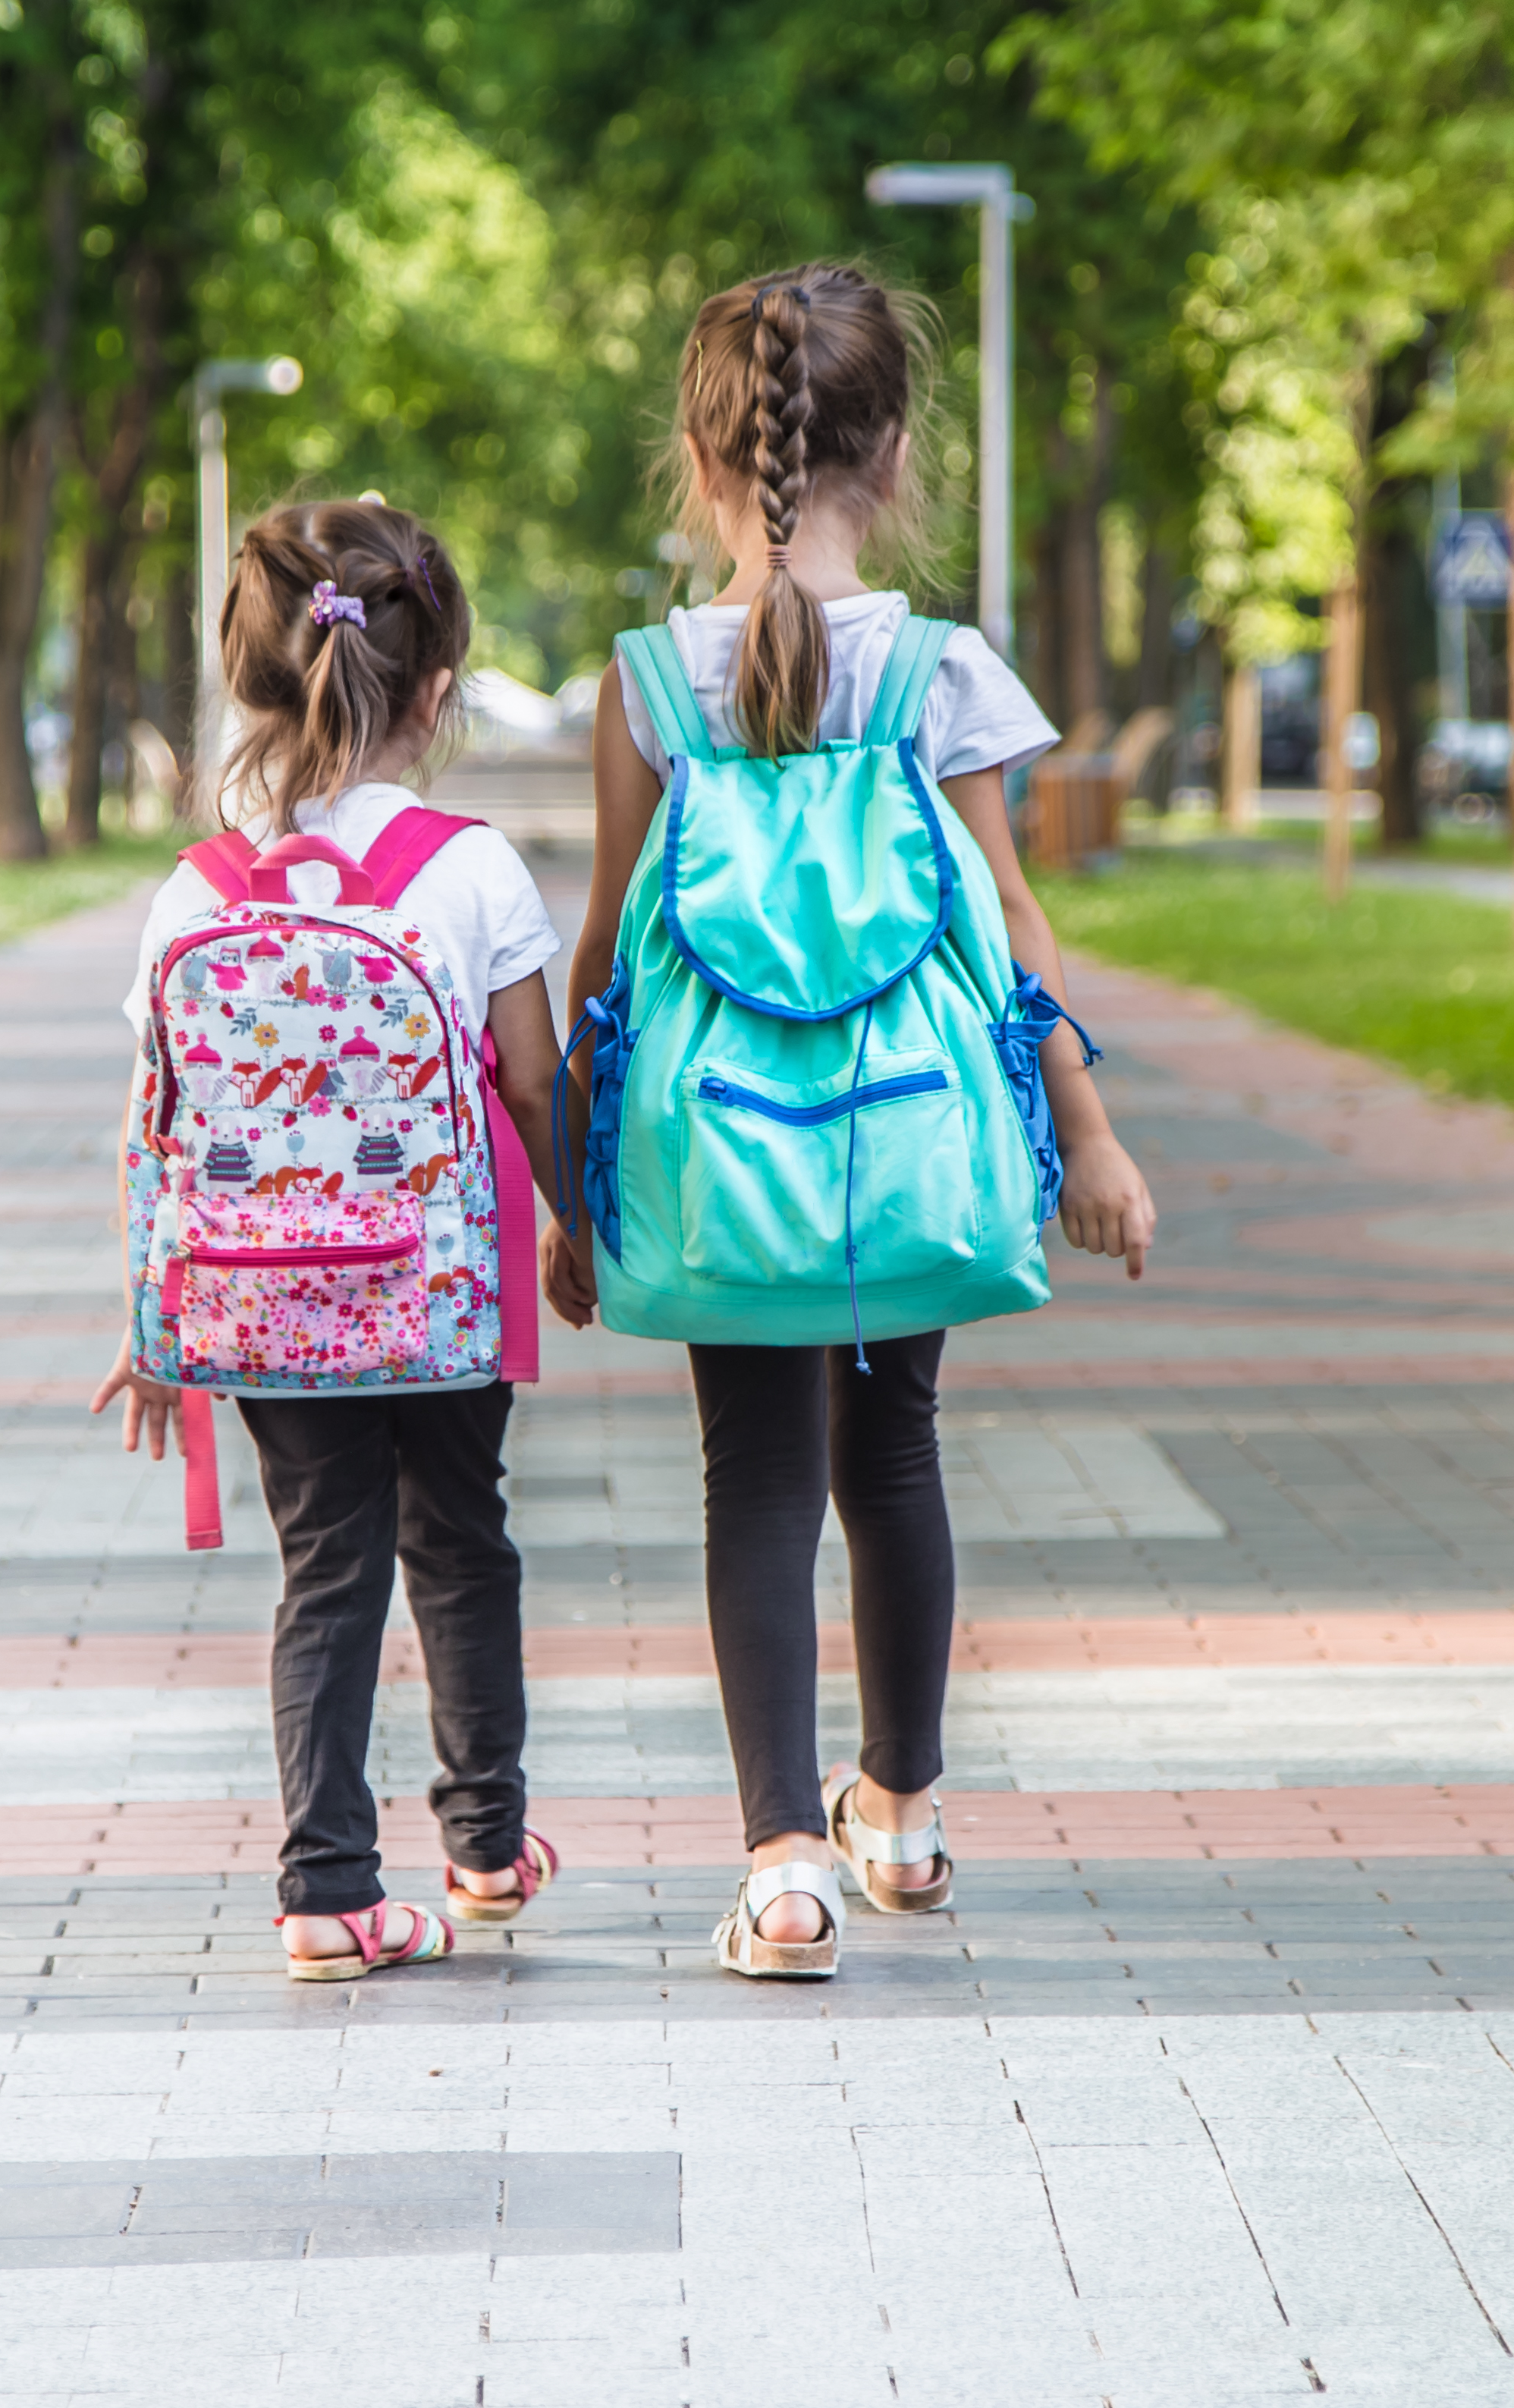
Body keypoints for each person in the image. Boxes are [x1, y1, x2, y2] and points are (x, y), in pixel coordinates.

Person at [547, 265, 1158, 1979]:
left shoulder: (651, 684)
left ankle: (783, 1868)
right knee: (891, 1452)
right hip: (909, 1145)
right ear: (894, 453)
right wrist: (1091, 1139)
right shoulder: (942, 674)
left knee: (752, 1475)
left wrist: (572, 1190)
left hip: (715, 1152)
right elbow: (1011, 924)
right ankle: (902, 1807)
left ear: (697, 450)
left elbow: (607, 955)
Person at [94, 498, 569, 1980]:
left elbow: (154, 1127)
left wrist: (149, 1324)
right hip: (436, 1293)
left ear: (247, 682)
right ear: (435, 695)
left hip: (260, 1305)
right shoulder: (472, 868)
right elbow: (537, 1079)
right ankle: (486, 1845)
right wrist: (581, 1229)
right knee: (463, 1536)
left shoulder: (197, 892)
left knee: (324, 1569)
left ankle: (326, 1889)